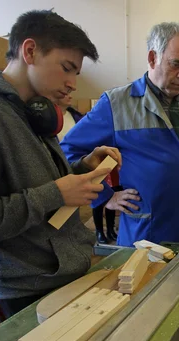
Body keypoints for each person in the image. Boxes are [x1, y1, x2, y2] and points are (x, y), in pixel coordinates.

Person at [0, 10, 120, 322]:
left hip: (62, 276)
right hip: (25, 292)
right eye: (66, 68)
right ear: (29, 51)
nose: (71, 84)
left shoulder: (35, 110)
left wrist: (81, 170)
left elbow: (40, 190)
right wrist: (55, 193)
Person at [61, 22, 179, 247]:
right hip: (147, 233)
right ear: (152, 58)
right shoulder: (116, 104)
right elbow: (68, 151)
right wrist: (105, 196)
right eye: (176, 64)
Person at [57, 94, 119, 244]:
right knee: (95, 203)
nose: (71, 89)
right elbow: (67, 148)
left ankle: (108, 230)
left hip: (90, 166)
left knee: (102, 199)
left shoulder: (76, 117)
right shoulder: (49, 120)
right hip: (63, 174)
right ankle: (99, 232)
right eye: (67, 69)